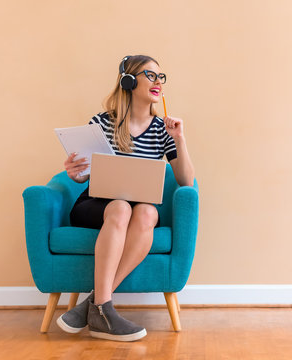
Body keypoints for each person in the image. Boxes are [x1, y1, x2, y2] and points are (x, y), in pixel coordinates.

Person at [56, 55, 195, 342]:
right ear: (129, 81)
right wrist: (75, 173)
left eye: (161, 77)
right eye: (151, 75)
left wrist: (179, 139)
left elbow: (186, 182)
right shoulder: (103, 123)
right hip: (96, 206)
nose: (158, 82)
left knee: (147, 213)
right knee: (120, 207)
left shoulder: (162, 129)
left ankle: (95, 307)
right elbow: (86, 174)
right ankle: (104, 310)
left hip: (137, 209)